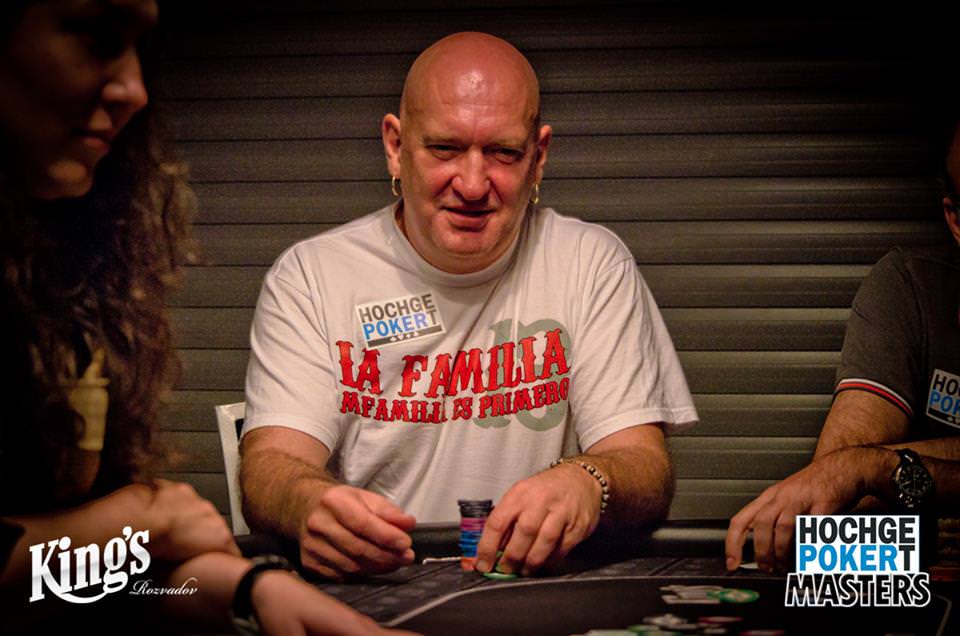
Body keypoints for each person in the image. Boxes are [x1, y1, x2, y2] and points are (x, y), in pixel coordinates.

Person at [0, 1, 411, 634]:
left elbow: (88, 584)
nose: (134, 89)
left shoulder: (69, 274)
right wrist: (138, 521)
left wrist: (250, 588)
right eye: (95, 37)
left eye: (141, 51)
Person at [240, 31, 698, 581]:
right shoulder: (311, 276)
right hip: (376, 583)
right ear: (395, 145)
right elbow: (271, 466)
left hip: (531, 586)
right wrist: (306, 501)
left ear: (539, 157)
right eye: (445, 149)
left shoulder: (590, 262)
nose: (474, 184)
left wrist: (588, 480)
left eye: (504, 153)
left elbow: (644, 466)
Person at [725, 114, 960, 574]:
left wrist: (880, 470)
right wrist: (873, 476)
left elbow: (859, 471)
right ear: (955, 219)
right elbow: (836, 512)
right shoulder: (909, 287)